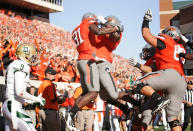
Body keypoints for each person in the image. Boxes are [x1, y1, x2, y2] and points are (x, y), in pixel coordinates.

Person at [70, 12, 136, 125]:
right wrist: (107, 25)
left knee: (109, 95)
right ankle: (127, 107)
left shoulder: (112, 33)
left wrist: (113, 27)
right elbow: (98, 31)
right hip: (92, 61)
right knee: (103, 95)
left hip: (100, 63)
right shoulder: (92, 26)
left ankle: (133, 104)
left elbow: (114, 36)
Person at [131, 9, 187, 131]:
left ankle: (159, 99)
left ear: (170, 34)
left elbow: (147, 35)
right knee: (173, 120)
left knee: (137, 83)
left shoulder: (168, 42)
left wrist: (146, 21)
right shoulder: (181, 48)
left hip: (169, 75)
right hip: (181, 80)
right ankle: (159, 99)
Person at [2, 43, 45, 131]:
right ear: (25, 55)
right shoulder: (22, 65)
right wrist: (36, 99)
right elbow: (19, 92)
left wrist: (31, 101)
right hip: (13, 107)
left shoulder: (13, 64)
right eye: (32, 56)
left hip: (9, 105)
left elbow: (15, 93)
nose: (34, 59)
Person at [38, 66, 65, 131]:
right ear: (47, 74)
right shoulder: (49, 84)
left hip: (42, 110)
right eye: (52, 74)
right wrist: (61, 98)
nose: (54, 75)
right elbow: (52, 99)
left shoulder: (42, 84)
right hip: (50, 112)